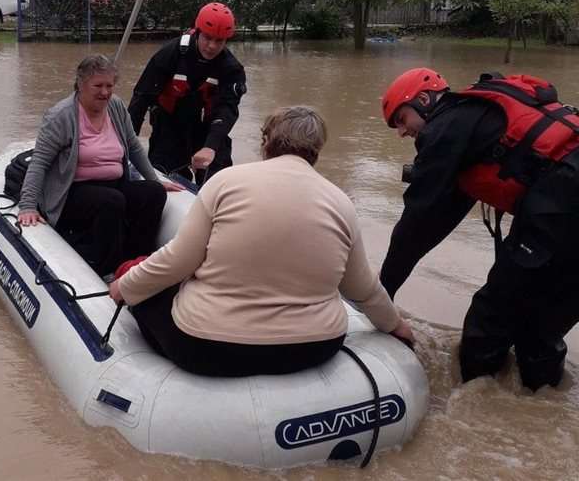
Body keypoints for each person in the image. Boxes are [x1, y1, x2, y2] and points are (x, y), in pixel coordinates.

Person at [109, 105, 416, 377]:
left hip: (207, 346)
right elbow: (362, 289)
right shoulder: (340, 203)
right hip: (314, 347)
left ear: (266, 143)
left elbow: (177, 263)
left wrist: (125, 286)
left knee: (148, 295)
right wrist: (395, 325)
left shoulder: (225, 183)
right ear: (315, 151)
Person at [380, 68, 579, 391]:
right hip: (564, 207)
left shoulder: (443, 129)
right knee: (540, 330)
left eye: (401, 119)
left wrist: (382, 292)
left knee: (490, 317)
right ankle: (536, 412)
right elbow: (440, 219)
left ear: (423, 99)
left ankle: (474, 402)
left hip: (561, 205)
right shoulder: (473, 121)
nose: (402, 132)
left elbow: (416, 219)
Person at [18, 54, 182, 279]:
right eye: (98, 86)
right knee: (111, 202)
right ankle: (108, 271)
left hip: (113, 183)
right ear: (80, 85)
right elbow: (40, 162)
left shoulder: (114, 106)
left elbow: (133, 146)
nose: (105, 92)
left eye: (109, 85)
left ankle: (136, 261)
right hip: (73, 191)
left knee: (152, 194)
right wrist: (28, 205)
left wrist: (154, 180)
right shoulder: (61, 116)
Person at [128, 2, 247, 185]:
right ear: (197, 31)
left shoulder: (231, 69)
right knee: (165, 172)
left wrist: (210, 146)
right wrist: (127, 139)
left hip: (209, 128)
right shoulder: (172, 53)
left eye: (220, 40)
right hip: (169, 124)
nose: (212, 46)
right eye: (207, 38)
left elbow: (226, 110)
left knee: (218, 178)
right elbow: (142, 97)